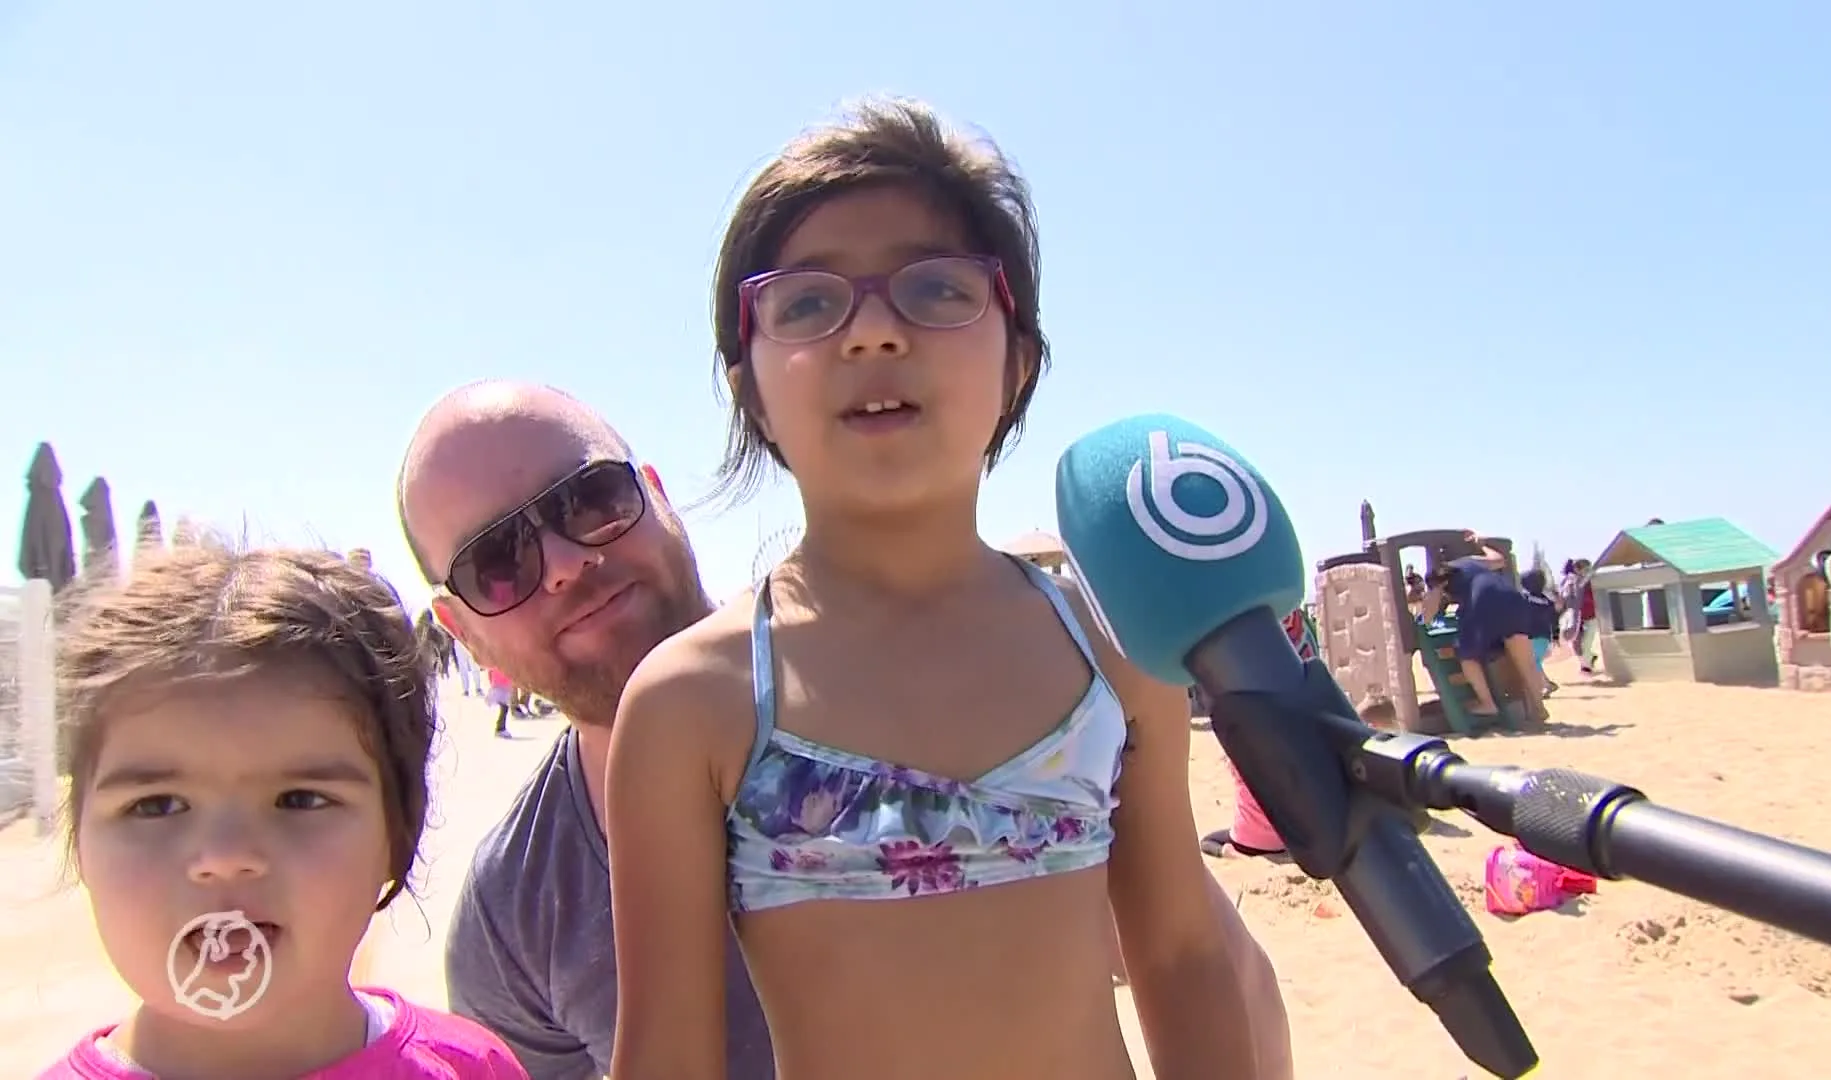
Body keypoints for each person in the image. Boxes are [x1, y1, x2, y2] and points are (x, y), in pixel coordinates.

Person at [603, 99, 1260, 1080]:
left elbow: (1182, 954)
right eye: (809, 304)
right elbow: (668, 1056)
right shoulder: (692, 704)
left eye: (937, 288)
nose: (871, 333)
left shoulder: (1115, 648)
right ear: (752, 390)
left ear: (1018, 360)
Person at [38, 541, 526, 1079]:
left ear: (398, 833)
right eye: (156, 805)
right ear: (79, 841)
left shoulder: (473, 1068)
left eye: (300, 800)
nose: (225, 857)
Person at [1422, 548, 1550, 726]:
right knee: (1527, 663)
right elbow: (1499, 560)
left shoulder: (1437, 578)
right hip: (1513, 599)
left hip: (1484, 602)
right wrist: (1481, 543)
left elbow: (1431, 604)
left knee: (1467, 656)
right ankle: (1539, 709)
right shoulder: (1471, 562)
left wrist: (1423, 622)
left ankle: (1487, 704)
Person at [1518, 569, 1560, 697]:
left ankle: (1546, 685)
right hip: (1544, 636)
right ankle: (1545, 685)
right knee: (1535, 662)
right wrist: (1556, 636)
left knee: (1532, 662)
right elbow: (1554, 620)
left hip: (1531, 636)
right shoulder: (1547, 601)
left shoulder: (1525, 599)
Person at [1558, 558, 1598, 675]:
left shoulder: (1592, 580)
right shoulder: (1571, 582)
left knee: (1586, 644)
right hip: (1576, 617)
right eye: (1583, 569)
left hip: (1591, 616)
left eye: (1587, 569)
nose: (1585, 571)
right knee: (1575, 643)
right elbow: (1565, 598)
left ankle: (1587, 665)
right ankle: (1586, 664)